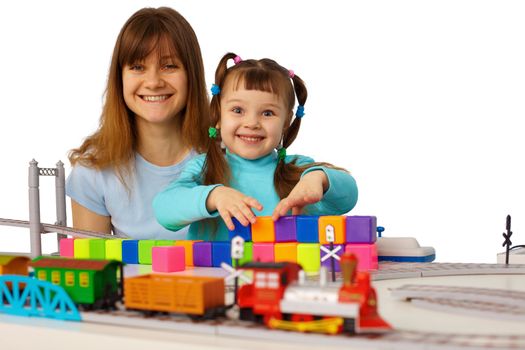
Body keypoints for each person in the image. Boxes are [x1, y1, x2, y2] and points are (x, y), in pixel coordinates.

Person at [153, 52, 358, 241]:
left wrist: (319, 179)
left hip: (281, 277)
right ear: (218, 116)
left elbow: (348, 196)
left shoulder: (297, 170)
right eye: (237, 110)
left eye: (267, 113)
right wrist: (213, 196)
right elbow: (164, 210)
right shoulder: (204, 168)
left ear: (285, 122)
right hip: (213, 278)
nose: (252, 123)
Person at [66, 7, 209, 239]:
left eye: (169, 66)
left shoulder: (228, 155)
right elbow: (91, 268)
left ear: (191, 74)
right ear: (119, 77)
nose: (153, 82)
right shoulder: (93, 170)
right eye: (137, 67)